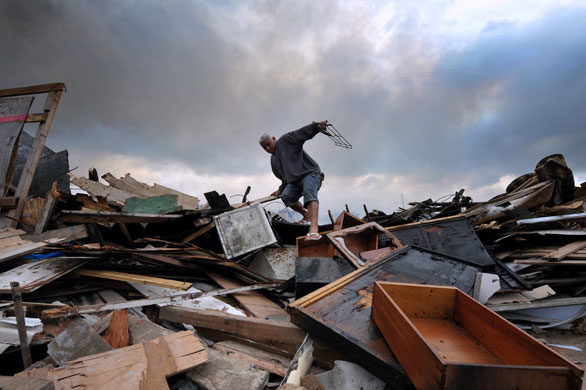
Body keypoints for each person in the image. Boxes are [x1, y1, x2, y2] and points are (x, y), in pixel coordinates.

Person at [259, 121, 329, 240]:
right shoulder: (273, 161)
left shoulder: (285, 140)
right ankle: (306, 215)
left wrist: (316, 127)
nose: (267, 148)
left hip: (310, 173)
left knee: (309, 194)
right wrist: (280, 190)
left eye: (268, 144)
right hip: (295, 181)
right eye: (264, 147)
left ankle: (314, 229)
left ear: (274, 139)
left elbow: (301, 133)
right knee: (286, 196)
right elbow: (285, 179)